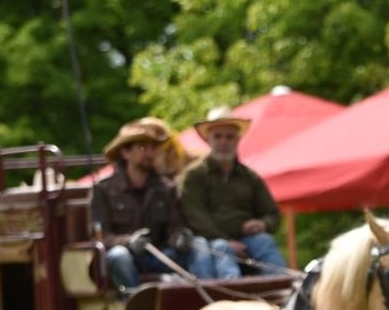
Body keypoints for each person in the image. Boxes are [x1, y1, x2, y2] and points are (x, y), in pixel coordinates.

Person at [91, 121, 212, 291]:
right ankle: (135, 303)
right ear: (126, 153)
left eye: (153, 148)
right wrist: (129, 242)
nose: (149, 153)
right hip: (128, 259)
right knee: (119, 255)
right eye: (142, 148)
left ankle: (204, 296)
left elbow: (175, 226)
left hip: (162, 256)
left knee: (198, 244)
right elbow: (101, 237)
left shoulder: (166, 188)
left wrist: (180, 237)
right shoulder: (103, 190)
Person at [179, 106, 287, 279]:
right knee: (222, 248)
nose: (224, 142)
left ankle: (284, 290)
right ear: (208, 139)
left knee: (265, 241)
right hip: (210, 243)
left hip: (248, 240)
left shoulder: (250, 177)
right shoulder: (194, 176)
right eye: (218, 136)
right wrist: (227, 241)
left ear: (238, 139)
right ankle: (233, 295)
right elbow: (195, 217)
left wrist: (263, 224)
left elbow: (272, 213)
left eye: (229, 137)